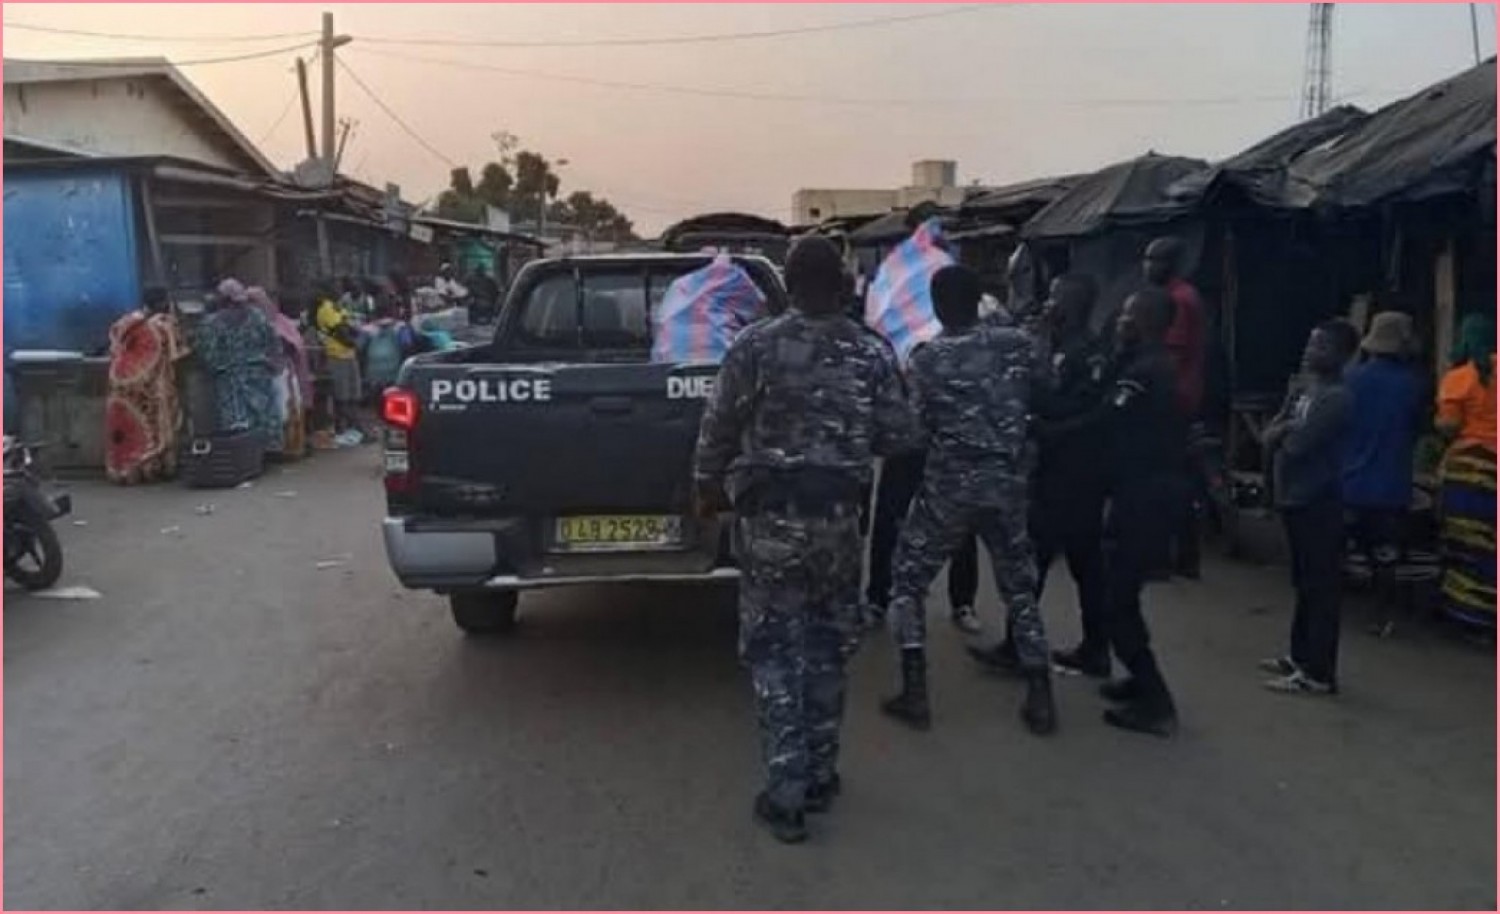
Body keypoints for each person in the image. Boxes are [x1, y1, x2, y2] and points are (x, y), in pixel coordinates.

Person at [693, 235, 919, 844]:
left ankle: (786, 793)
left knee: (774, 653)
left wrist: (707, 487)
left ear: (789, 286)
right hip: (840, 525)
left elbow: (717, 429)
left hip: (771, 525)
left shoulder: (754, 347)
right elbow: (900, 437)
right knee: (826, 648)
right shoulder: (872, 353)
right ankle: (819, 774)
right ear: (843, 285)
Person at [882, 264, 1057, 737]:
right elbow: (1047, 394)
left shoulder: (927, 359)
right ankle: (1040, 692)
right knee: (1019, 587)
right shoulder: (1018, 344)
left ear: (937, 306)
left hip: (949, 486)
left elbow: (914, 433)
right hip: (1007, 484)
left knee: (908, 580)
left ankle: (915, 690)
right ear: (979, 298)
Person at [1067, 288, 1186, 735]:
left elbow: (1102, 419)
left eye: (1128, 317)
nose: (1119, 321)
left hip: (1146, 497)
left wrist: (1049, 429)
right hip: (1136, 492)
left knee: (1119, 600)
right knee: (1123, 593)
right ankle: (1138, 680)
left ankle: (1156, 701)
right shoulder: (1137, 363)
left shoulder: (1147, 372)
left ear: (1147, 322)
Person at [1261, 319, 1359, 696]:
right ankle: (1299, 656)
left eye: (1320, 347)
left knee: (1320, 588)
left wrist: (1281, 433)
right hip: (1295, 496)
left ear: (1341, 355)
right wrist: (1281, 432)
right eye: (1310, 344)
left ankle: (1319, 672)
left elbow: (1296, 443)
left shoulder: (1337, 398)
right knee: (1303, 583)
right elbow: (1275, 430)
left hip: (1320, 499)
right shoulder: (1306, 388)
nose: (1309, 351)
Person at [1031, 274, 1114, 676]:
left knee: (1068, 561)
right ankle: (1026, 642)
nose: (1049, 304)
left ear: (1074, 304)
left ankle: (1092, 647)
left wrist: (1049, 426)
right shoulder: (1058, 344)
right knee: (1051, 559)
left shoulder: (1090, 352)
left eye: (1055, 297)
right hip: (1052, 467)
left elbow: (1086, 413)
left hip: (1077, 472)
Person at [1341, 312, 1424, 637]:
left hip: (1348, 482)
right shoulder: (1413, 385)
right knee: (1385, 557)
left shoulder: (1350, 379)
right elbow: (1417, 430)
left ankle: (1330, 611)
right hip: (1390, 486)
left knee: (1336, 549)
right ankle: (1380, 617)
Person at [1144, 237, 1207, 579]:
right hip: (1182, 397)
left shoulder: (1178, 301)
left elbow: (1171, 355)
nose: (1148, 267)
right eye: (1147, 259)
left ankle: (1173, 556)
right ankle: (1182, 555)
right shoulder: (1184, 296)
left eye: (1156, 261)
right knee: (1179, 478)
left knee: (1168, 480)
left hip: (1175, 400)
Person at [1433, 314, 1496, 634]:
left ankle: (1472, 618)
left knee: (1469, 545)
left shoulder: (1460, 377)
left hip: (1471, 471)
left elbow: (1449, 426)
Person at [104, 286, 189, 484]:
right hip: (149, 384)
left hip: (120, 380)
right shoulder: (165, 325)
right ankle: (151, 470)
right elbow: (179, 354)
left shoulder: (127, 320)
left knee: (125, 428)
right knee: (156, 427)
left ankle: (123, 471)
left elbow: (113, 345)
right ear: (164, 302)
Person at [193, 279, 280, 451]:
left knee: (236, 419)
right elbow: (273, 342)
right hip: (258, 374)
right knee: (262, 413)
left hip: (229, 378)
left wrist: (216, 367)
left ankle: (244, 454)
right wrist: (268, 362)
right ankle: (268, 448)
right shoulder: (257, 316)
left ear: (222, 299)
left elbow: (206, 353)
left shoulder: (212, 323)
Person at [249, 287, 312, 459]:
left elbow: (293, 344)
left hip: (281, 372)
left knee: (286, 409)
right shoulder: (253, 323)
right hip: (263, 375)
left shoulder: (278, 321)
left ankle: (290, 448)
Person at [314, 280, 365, 446]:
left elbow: (350, 325)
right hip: (337, 355)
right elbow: (341, 331)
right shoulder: (326, 308)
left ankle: (353, 429)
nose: (340, 291)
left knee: (353, 395)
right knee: (342, 396)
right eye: (335, 288)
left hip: (348, 355)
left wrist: (353, 333)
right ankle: (353, 429)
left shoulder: (338, 307)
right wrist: (354, 340)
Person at [359, 301, 419, 398]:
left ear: (375, 313)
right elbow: (407, 345)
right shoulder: (401, 327)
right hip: (394, 369)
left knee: (375, 397)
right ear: (392, 312)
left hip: (373, 370)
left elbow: (359, 347)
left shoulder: (366, 329)